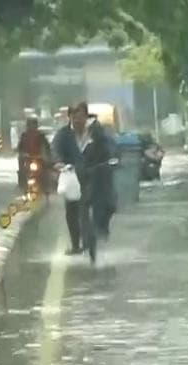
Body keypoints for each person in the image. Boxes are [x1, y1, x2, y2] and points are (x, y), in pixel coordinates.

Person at [51, 102, 111, 257]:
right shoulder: (63, 135)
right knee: (71, 209)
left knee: (108, 201)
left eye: (81, 117)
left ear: (86, 116)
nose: (78, 121)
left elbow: (108, 147)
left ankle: (101, 228)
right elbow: (55, 151)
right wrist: (59, 163)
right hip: (73, 176)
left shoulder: (95, 132)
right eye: (75, 117)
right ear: (69, 117)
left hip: (94, 174)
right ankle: (76, 244)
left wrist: (111, 158)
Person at [17, 116, 52, 188]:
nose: (31, 126)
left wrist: (45, 154)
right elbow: (20, 147)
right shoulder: (24, 135)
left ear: (36, 125)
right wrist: (23, 154)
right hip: (27, 158)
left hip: (39, 158)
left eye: (33, 124)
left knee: (46, 170)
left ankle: (46, 187)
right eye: (29, 125)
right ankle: (22, 185)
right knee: (22, 168)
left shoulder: (41, 135)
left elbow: (47, 147)